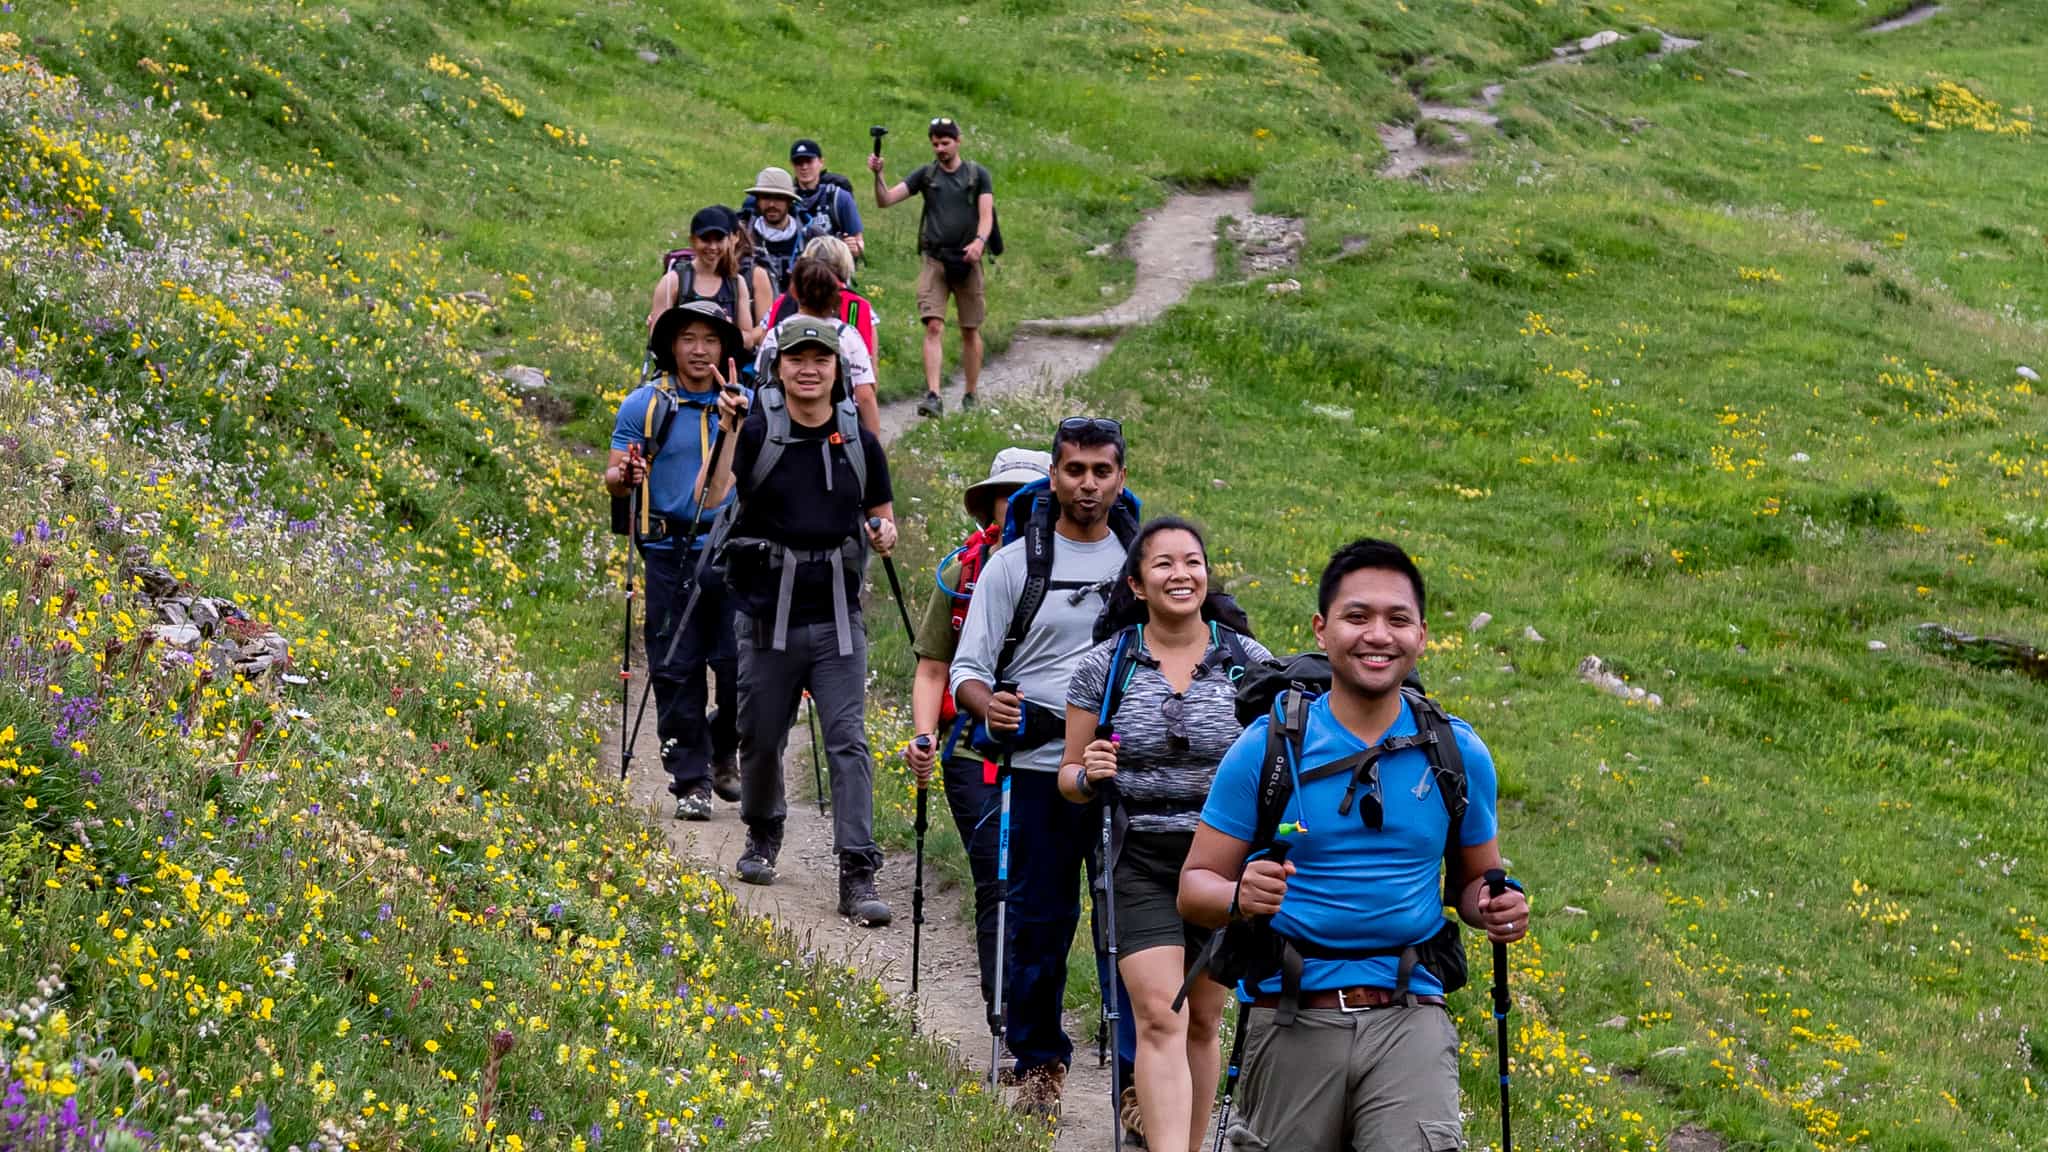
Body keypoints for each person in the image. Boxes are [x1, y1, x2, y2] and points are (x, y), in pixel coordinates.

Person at [1179, 539, 1531, 1152]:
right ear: (1322, 629)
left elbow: (1477, 881)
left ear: (1422, 635)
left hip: (1410, 1015)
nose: (1378, 635)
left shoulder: (1458, 753)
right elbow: (1194, 888)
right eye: (1357, 616)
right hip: (1290, 1013)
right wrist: (1239, 896)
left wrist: (1496, 906)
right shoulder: (1267, 749)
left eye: (1398, 619)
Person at [1059, 517, 1272, 1152]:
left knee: (1203, 1018)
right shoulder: (1104, 666)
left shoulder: (1250, 663)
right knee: (1160, 1015)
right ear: (1136, 584)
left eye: (1193, 562)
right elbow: (1068, 776)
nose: (1181, 575)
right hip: (1139, 858)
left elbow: (1281, 758)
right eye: (1164, 564)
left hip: (1224, 862)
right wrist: (1088, 773)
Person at [949, 416, 1137, 1118]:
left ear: (1120, 478)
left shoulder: (1140, 562)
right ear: (1053, 477)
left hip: (1123, 766)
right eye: (1075, 470)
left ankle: (1137, 1081)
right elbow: (967, 669)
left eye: (1101, 471)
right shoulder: (1013, 566)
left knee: (1132, 926)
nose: (1088, 484)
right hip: (1036, 764)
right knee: (1038, 920)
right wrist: (988, 705)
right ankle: (1038, 1065)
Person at [726, 315, 899, 927]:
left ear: (837, 371)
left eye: (820, 359)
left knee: (848, 740)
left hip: (836, 614)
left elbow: (881, 512)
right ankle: (763, 830)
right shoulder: (756, 431)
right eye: (796, 359)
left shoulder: (858, 441)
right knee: (760, 735)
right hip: (766, 612)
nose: (808, 369)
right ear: (778, 368)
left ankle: (858, 870)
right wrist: (729, 433)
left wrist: (885, 532)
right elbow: (718, 496)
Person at [904, 446, 1053, 1032]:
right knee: (997, 875)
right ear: (990, 505)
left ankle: (1032, 1010)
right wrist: (923, 737)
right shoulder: (961, 573)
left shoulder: (1078, 574)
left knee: (1041, 882)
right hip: (971, 749)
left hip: (1050, 751)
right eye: (1008, 496)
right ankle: (1006, 1013)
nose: (1019, 507)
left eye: (1030, 496)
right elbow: (932, 668)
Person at [605, 301, 752, 820]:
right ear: (671, 345)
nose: (699, 349)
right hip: (668, 552)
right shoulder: (644, 405)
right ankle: (691, 780)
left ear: (725, 348)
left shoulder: (746, 405)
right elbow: (614, 476)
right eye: (688, 338)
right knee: (674, 667)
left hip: (732, 553)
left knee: (739, 665)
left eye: (710, 339)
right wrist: (627, 476)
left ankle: (722, 743)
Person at [868, 115, 994, 420]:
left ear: (958, 141)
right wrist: (878, 175)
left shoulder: (977, 175)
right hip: (935, 260)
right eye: (935, 143)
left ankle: (970, 394)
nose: (940, 148)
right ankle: (934, 395)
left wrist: (979, 243)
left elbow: (986, 215)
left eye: (945, 142)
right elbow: (886, 200)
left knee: (970, 329)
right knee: (933, 325)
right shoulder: (926, 175)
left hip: (968, 261)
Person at [754, 257, 881, 435]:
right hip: (838, 431)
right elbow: (865, 395)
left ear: (794, 291)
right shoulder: (848, 335)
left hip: (781, 432)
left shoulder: (776, 334)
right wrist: (874, 444)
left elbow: (761, 384)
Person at [647, 206, 771, 349]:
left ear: (729, 240)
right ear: (692, 240)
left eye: (719, 239)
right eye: (705, 239)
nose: (713, 247)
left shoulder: (737, 283)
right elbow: (657, 337)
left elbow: (748, 341)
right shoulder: (673, 281)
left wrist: (727, 330)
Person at [765, 236, 879, 360]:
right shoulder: (857, 306)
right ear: (844, 264)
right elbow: (868, 362)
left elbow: (767, 351)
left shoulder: (783, 302)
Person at [789, 138, 865, 259]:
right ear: (792, 165)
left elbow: (859, 243)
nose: (804, 167)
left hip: (833, 265)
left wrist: (853, 248)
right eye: (798, 162)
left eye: (809, 161)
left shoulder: (839, 198)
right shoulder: (787, 201)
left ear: (821, 162)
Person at [743, 166, 814, 289]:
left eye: (778, 198)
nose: (771, 204)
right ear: (757, 200)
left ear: (790, 201)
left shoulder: (810, 236)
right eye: (766, 197)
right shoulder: (741, 235)